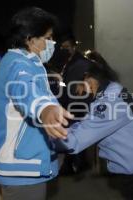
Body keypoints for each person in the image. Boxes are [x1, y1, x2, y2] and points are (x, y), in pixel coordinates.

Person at [54, 53, 133, 200]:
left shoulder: (110, 103)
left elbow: (74, 141)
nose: (78, 91)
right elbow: (86, 124)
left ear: (89, 78)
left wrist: (45, 139)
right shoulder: (109, 94)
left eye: (77, 85)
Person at [0, 7, 73, 200]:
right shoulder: (19, 64)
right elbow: (25, 90)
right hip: (21, 168)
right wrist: (45, 109)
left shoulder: (22, 61)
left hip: (23, 162)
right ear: (30, 39)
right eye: (48, 37)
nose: (52, 43)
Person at [57, 34, 92, 175]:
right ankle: (74, 163)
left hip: (78, 104)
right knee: (71, 133)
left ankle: (75, 164)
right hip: (69, 102)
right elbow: (64, 83)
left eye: (67, 47)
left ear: (73, 46)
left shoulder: (82, 63)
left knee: (75, 134)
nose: (65, 50)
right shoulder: (66, 63)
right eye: (62, 47)